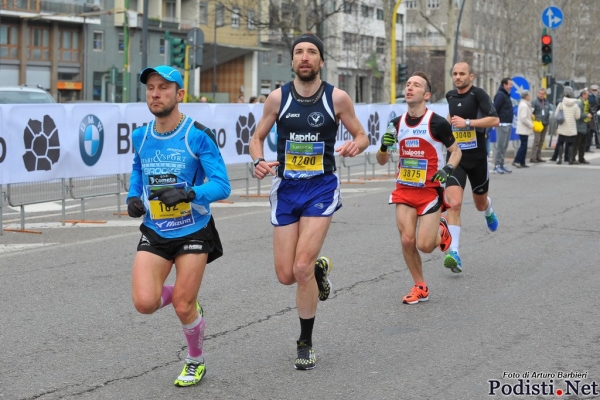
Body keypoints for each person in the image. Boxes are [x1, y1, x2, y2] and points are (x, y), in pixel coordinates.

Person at [248, 33, 369, 370]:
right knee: (287, 275)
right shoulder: (277, 98)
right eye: (298, 52)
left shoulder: (337, 98)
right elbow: (256, 139)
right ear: (291, 61)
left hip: (320, 189)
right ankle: (318, 269)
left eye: (311, 52)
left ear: (321, 61)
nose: (304, 57)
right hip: (286, 190)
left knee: (299, 269)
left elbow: (362, 135)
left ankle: (305, 342)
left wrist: (355, 145)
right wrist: (258, 160)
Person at [127, 65, 231, 387]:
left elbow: (222, 185)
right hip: (157, 230)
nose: (155, 94)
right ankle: (187, 298)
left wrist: (189, 193)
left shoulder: (197, 135)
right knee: (145, 303)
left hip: (194, 228)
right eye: (150, 89)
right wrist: (133, 196)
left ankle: (194, 360)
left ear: (180, 94)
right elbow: (138, 170)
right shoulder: (140, 136)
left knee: (184, 305)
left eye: (163, 88)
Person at [376, 71, 461, 304]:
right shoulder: (396, 124)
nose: (409, 88)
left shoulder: (437, 123)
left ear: (426, 94)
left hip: (429, 191)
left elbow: (456, 151)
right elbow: (381, 159)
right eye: (408, 84)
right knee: (406, 240)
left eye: (416, 85)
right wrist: (384, 146)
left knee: (425, 246)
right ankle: (420, 286)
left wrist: (448, 170)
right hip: (404, 190)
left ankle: (441, 231)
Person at [444, 62, 500, 273]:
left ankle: (488, 209)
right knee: (455, 204)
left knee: (479, 203)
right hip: (456, 157)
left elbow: (495, 119)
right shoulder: (450, 96)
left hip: (477, 158)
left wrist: (468, 122)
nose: (458, 77)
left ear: (471, 76)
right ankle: (454, 252)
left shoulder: (479, 95)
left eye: (462, 74)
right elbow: (451, 119)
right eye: (455, 73)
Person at [492, 78, 514, 174]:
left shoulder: (506, 95)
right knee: (500, 146)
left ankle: (501, 164)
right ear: (504, 85)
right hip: (501, 124)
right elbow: (495, 109)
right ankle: (496, 165)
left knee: (504, 146)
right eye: (510, 84)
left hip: (507, 123)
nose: (511, 86)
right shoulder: (500, 95)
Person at [554, 86, 580, 164]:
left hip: (562, 127)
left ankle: (559, 159)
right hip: (571, 128)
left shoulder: (561, 104)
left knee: (561, 143)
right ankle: (570, 159)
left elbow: (556, 115)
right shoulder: (575, 105)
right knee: (571, 144)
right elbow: (577, 116)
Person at [513, 90, 533, 168]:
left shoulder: (524, 104)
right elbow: (523, 118)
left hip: (523, 129)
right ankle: (517, 160)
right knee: (523, 146)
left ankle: (522, 162)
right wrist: (531, 125)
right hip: (523, 129)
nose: (530, 96)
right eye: (529, 95)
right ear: (526, 96)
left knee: (524, 145)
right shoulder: (524, 105)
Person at [530, 87, 551, 163]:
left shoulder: (546, 102)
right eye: (540, 93)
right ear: (538, 93)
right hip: (538, 123)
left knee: (541, 141)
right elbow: (531, 112)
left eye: (543, 94)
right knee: (537, 141)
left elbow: (548, 111)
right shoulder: (534, 102)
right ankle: (533, 157)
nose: (541, 95)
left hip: (545, 123)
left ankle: (538, 156)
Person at [574, 88, 591, 164]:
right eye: (587, 94)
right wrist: (587, 115)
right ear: (583, 95)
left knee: (583, 144)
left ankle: (581, 158)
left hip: (584, 126)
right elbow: (578, 114)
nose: (588, 96)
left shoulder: (585, 102)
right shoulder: (579, 103)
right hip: (579, 126)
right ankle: (573, 158)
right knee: (577, 144)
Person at [587, 84, 600, 150]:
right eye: (593, 90)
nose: (594, 91)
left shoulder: (599, 97)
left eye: (596, 90)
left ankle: (598, 144)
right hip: (591, 116)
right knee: (590, 131)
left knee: (598, 130)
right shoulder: (589, 96)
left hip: (598, 116)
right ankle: (588, 146)